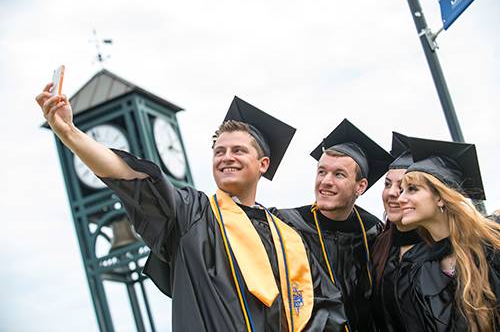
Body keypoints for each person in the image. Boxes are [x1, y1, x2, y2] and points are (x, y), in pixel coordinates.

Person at [36, 87, 347, 332]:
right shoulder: (193, 214)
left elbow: (324, 308)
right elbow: (133, 179)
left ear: (262, 165)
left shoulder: (288, 236)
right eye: (219, 151)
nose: (226, 157)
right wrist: (70, 133)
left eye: (238, 150)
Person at [273, 119, 393, 332]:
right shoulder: (286, 225)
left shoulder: (373, 231)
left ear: (361, 186)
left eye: (339, 174)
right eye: (321, 172)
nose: (326, 181)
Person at [397, 136, 500, 332]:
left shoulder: (493, 244)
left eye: (412, 189)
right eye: (402, 190)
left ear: (441, 198)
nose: (401, 198)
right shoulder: (416, 268)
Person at [371, 132, 430, 332]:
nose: (393, 193)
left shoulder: (443, 246)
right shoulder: (378, 245)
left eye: (406, 187)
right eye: (388, 184)